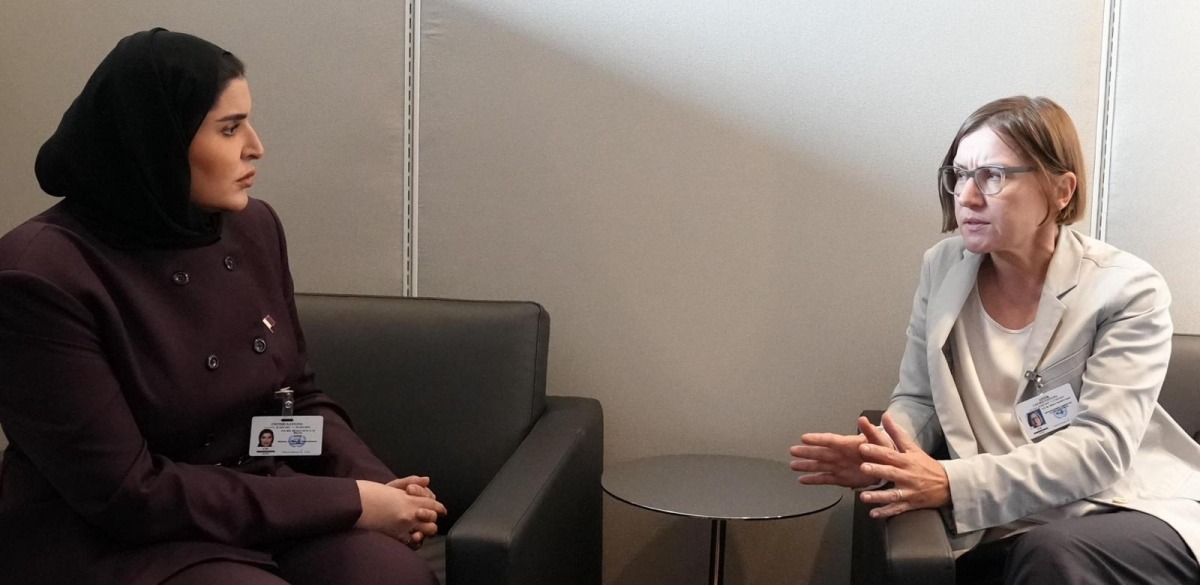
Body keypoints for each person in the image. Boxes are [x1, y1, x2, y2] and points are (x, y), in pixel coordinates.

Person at [0, 29, 445, 584]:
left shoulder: (251, 226)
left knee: (390, 576)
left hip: (263, 501)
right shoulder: (37, 276)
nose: (256, 147)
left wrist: (375, 484)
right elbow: (129, 493)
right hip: (116, 538)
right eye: (230, 128)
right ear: (155, 140)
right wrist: (349, 502)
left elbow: (292, 402)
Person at [789, 96, 1200, 584]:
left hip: (1125, 506)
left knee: (1049, 554)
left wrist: (950, 482)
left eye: (993, 176)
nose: (967, 196)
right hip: (1004, 520)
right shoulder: (942, 268)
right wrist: (887, 457)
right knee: (1023, 554)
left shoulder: (1127, 288)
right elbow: (920, 399)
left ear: (1061, 190)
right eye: (960, 175)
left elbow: (1101, 448)